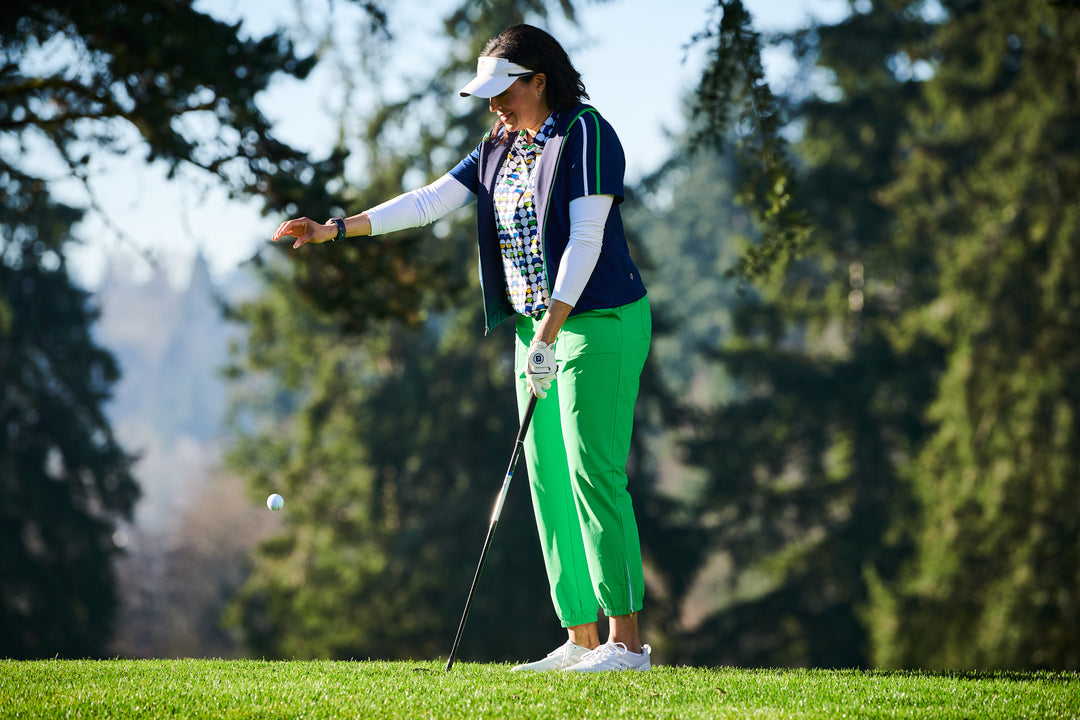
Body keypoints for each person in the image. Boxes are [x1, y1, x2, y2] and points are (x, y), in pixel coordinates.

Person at [272, 24, 652, 673]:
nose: (495, 105)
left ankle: (625, 644)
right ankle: (581, 639)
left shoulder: (586, 133)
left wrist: (553, 333)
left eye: (506, 91)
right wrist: (335, 228)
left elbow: (586, 243)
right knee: (547, 481)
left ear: (539, 80)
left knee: (593, 473)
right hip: (539, 329)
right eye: (489, 95)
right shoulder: (498, 145)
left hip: (599, 321)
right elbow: (427, 203)